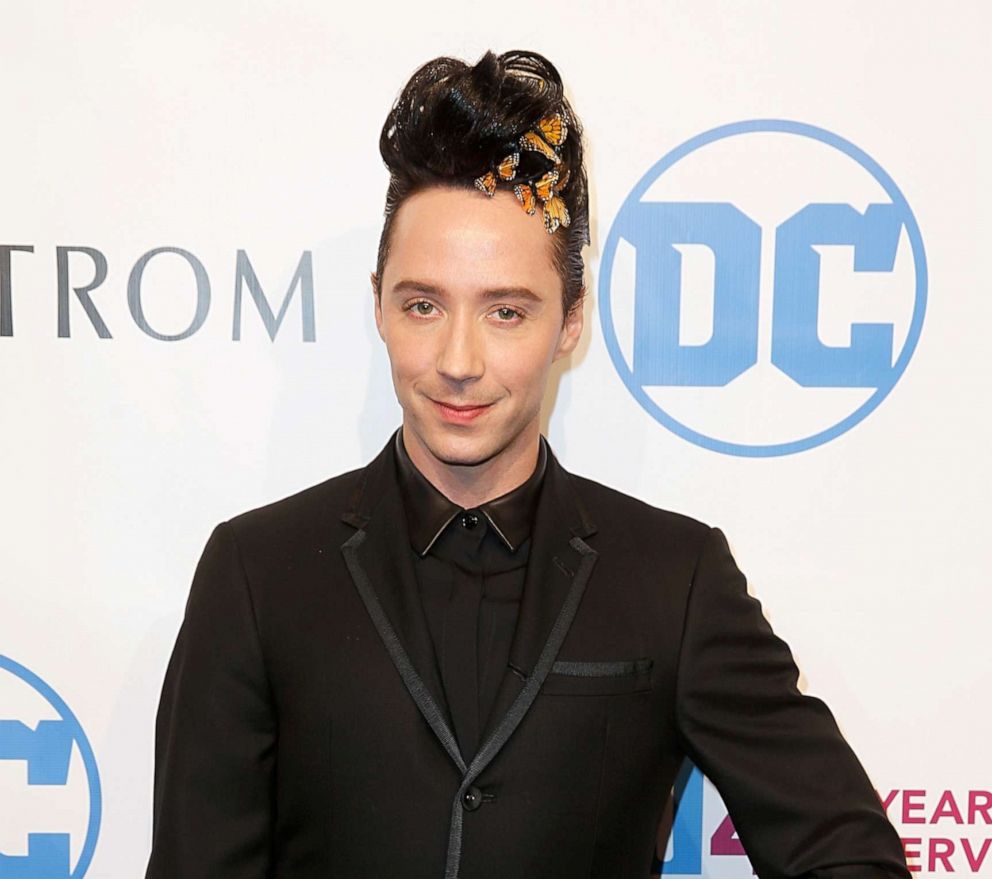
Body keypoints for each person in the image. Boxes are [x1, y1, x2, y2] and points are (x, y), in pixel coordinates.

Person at [144, 49, 910, 879]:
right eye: (424, 305)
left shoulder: (675, 579)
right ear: (378, 305)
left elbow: (849, 853)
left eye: (506, 311)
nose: (458, 360)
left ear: (571, 320)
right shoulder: (258, 573)